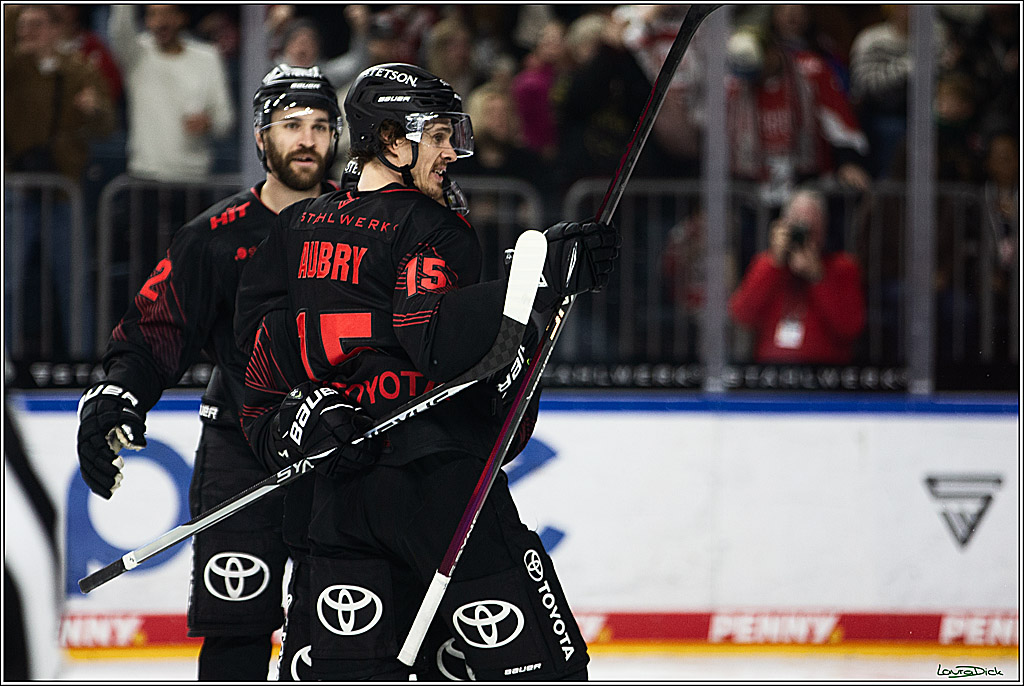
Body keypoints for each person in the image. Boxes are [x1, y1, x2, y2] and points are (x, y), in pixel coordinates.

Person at [234, 62, 617, 681]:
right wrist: (536, 284)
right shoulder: (433, 227)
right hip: (438, 487)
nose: (451, 152)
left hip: (338, 500)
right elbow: (438, 344)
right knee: (540, 671)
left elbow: (257, 370)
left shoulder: (295, 227)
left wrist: (300, 420)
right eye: (437, 136)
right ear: (390, 140)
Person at [74, 65, 342, 681]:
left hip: (341, 449)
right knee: (234, 634)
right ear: (261, 137)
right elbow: (156, 329)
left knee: (336, 639)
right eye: (292, 124)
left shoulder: (367, 224)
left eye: (321, 125)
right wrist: (118, 394)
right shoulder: (214, 237)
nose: (307, 139)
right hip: (240, 447)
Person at [4, 4, 115, 358]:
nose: (26, 32)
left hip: (64, 189)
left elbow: (106, 125)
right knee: (7, 282)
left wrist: (94, 109)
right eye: (21, 25)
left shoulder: (79, 68)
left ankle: (81, 361)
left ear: (55, 29)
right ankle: (4, 362)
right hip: (16, 185)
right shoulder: (10, 67)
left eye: (36, 25)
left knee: (74, 282)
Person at [729, 188, 865, 364]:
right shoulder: (767, 264)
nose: (804, 236)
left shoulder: (843, 267)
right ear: (782, 227)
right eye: (797, 227)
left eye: (811, 228)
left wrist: (818, 277)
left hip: (825, 369)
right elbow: (742, 316)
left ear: (823, 230)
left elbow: (850, 328)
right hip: (772, 369)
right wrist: (774, 263)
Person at [108, 4, 234, 182]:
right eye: (153, 14)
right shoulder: (137, 54)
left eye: (167, 13)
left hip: (194, 177)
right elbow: (120, 29)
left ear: (182, 17)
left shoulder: (208, 57)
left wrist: (208, 123)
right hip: (145, 175)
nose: (160, 22)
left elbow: (225, 120)